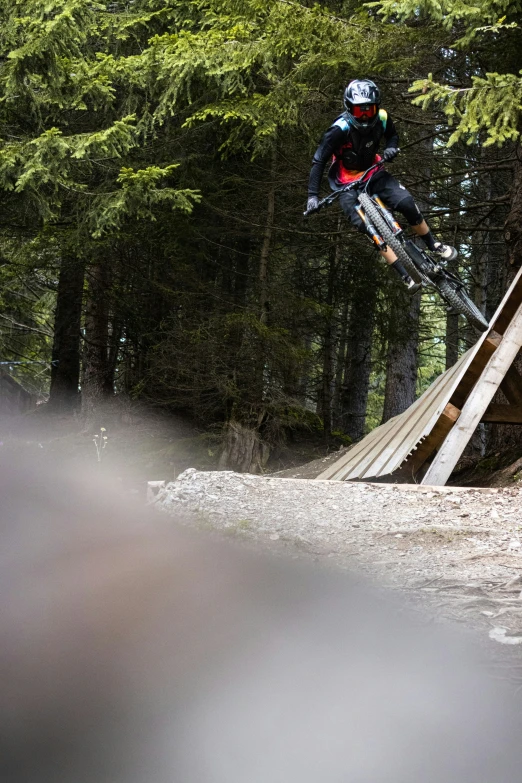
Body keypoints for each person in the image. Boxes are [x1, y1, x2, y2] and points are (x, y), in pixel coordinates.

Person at [307, 79, 457, 292]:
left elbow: (392, 136)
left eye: (370, 110)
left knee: (405, 202)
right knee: (367, 227)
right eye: (360, 111)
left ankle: (434, 244)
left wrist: (391, 148)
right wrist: (312, 195)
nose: (366, 116)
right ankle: (405, 275)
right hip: (345, 183)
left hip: (374, 173)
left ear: (377, 107)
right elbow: (319, 160)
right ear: (350, 109)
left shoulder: (383, 118)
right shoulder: (339, 129)